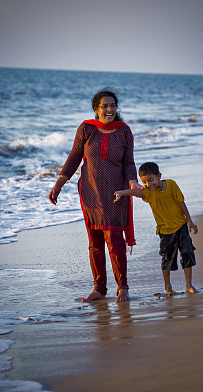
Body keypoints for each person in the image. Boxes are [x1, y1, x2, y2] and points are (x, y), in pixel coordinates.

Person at [49, 89, 141, 303]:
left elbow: (129, 162)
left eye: (113, 106)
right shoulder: (86, 128)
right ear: (96, 109)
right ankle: (99, 289)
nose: (109, 110)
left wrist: (133, 181)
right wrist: (59, 184)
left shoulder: (124, 131)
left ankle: (122, 288)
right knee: (95, 241)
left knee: (114, 239)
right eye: (105, 106)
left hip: (116, 193)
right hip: (90, 192)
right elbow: (74, 157)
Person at [114, 162, 198, 295]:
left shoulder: (171, 185)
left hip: (181, 226)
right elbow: (135, 191)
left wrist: (190, 222)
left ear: (159, 176)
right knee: (167, 258)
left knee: (187, 253)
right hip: (165, 231)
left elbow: (181, 203)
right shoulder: (148, 192)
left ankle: (189, 285)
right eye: (144, 182)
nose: (148, 184)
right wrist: (121, 192)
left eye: (151, 180)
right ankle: (168, 288)